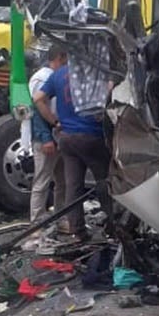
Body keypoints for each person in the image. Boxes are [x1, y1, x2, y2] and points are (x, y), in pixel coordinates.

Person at [33, 61, 112, 241]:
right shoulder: (96, 71)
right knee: (104, 182)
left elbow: (38, 98)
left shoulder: (59, 74)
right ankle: (112, 226)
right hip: (93, 136)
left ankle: (77, 231)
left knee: (73, 186)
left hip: (67, 138)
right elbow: (110, 92)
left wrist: (55, 122)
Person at [28, 45, 67, 223]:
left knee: (62, 180)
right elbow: (36, 110)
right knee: (42, 180)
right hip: (47, 136)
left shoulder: (52, 76)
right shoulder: (42, 78)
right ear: (59, 58)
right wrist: (46, 137)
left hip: (58, 134)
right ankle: (36, 220)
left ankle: (60, 215)